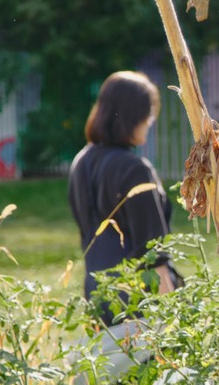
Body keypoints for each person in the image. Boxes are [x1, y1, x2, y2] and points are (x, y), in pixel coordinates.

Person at [68, 70, 179, 326]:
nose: (151, 121)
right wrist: (174, 323)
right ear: (133, 115)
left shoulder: (80, 162)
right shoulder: (135, 170)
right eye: (149, 113)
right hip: (139, 302)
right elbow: (154, 255)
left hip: (97, 296)